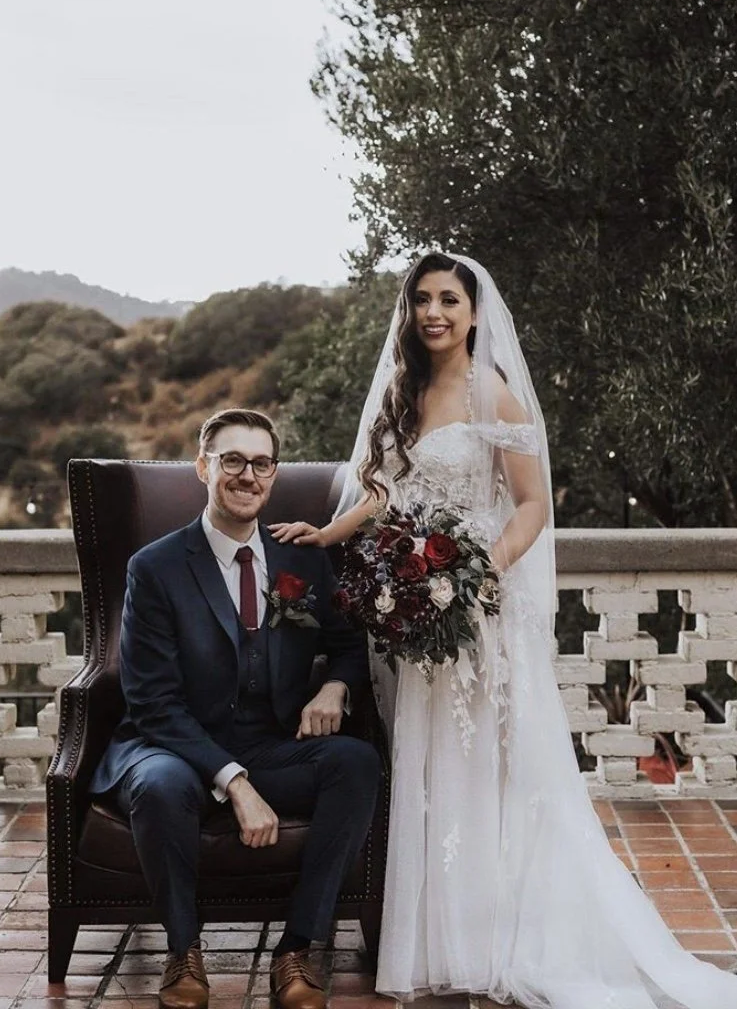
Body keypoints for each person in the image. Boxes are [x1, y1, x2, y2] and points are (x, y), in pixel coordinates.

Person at [270, 254, 737, 1009]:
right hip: (412, 611)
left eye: (448, 299)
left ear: (474, 312)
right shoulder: (401, 389)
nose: (433, 312)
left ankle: (496, 934)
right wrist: (328, 535)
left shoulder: (494, 392)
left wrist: (481, 572)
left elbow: (529, 505)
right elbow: (385, 490)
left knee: (485, 765)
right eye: (421, 298)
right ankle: (431, 933)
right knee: (423, 767)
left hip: (477, 609)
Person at [90, 407, 380, 1009]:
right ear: (204, 467)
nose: (248, 475)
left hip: (270, 741)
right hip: (172, 746)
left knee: (355, 762)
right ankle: (183, 951)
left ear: (274, 475)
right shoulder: (155, 568)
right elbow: (152, 702)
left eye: (262, 463)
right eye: (233, 460)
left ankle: (297, 949)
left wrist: (334, 688)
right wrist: (236, 782)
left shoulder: (300, 557)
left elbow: (349, 645)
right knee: (161, 785)